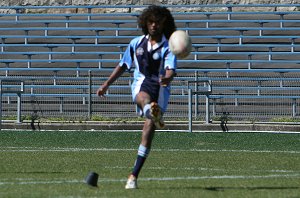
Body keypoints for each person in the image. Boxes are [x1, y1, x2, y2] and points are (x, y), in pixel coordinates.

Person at [96, 5, 177, 189]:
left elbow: (171, 70)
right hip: (142, 83)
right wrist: (106, 84)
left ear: (163, 23)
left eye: (157, 22)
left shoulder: (169, 46)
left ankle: (133, 176)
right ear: (145, 23)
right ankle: (150, 110)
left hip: (161, 89)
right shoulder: (136, 43)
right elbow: (123, 65)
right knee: (142, 97)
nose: (154, 25)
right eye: (151, 21)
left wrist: (167, 77)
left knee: (147, 134)